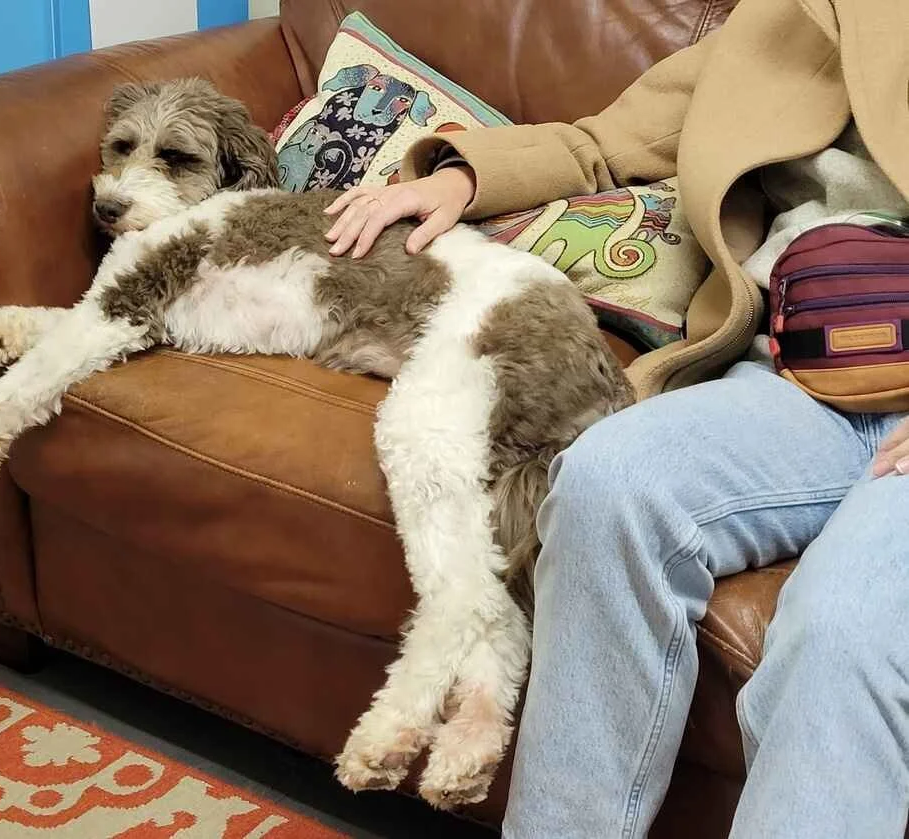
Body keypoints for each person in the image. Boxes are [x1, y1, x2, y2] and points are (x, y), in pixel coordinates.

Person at [322, 0, 909, 836]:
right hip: (796, 374)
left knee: (842, 630)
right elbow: (606, 140)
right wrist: (453, 181)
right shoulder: (788, 16)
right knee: (608, 479)